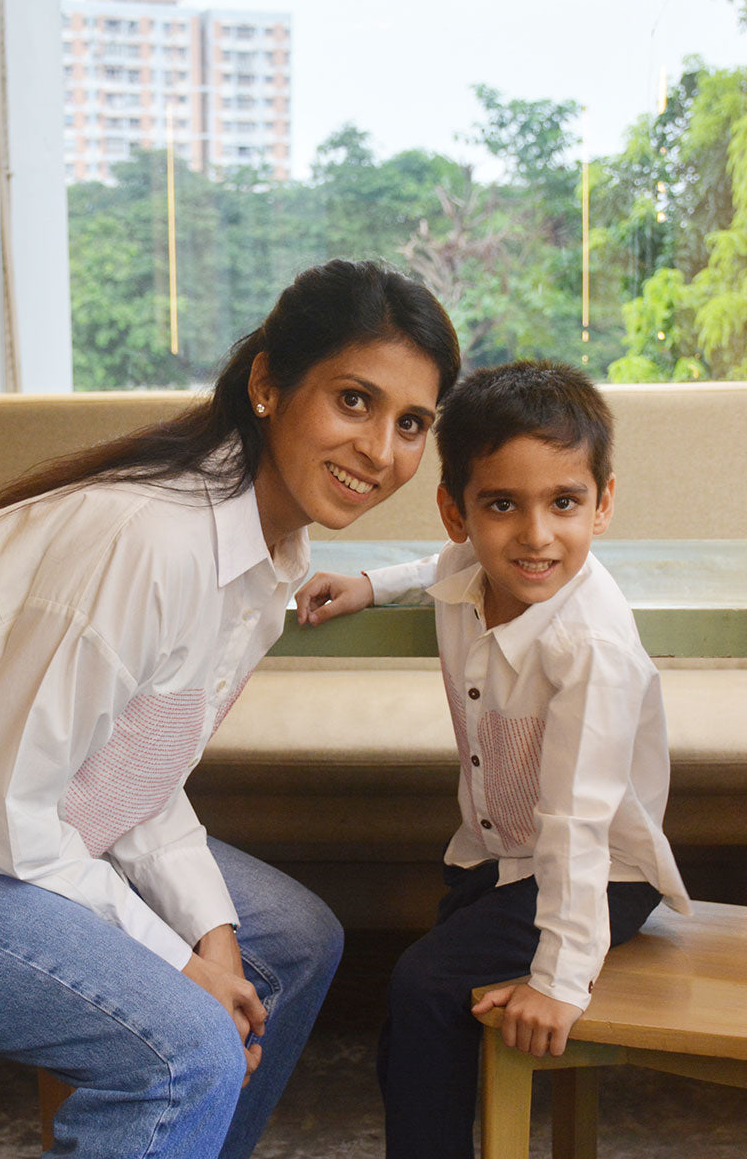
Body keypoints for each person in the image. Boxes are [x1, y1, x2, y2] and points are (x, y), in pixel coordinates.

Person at [0, 259, 462, 1159]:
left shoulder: (271, 557)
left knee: (292, 942)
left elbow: (131, 774)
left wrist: (214, 935)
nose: (380, 450)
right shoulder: (149, 542)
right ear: (267, 384)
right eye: (354, 401)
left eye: (411, 423)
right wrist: (177, 961)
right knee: (184, 1048)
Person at [294, 359, 690, 1159]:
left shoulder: (590, 647)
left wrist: (560, 980)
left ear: (603, 503)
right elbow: (437, 568)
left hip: (603, 877)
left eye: (564, 503)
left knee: (421, 985)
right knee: (419, 1018)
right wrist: (370, 585)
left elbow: (578, 823)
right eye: (503, 505)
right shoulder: (467, 566)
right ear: (457, 513)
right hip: (497, 858)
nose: (536, 536)